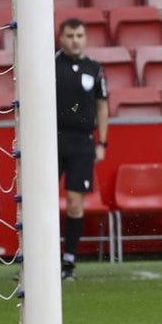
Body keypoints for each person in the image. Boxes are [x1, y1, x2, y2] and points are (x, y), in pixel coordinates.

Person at [55, 18, 108, 280]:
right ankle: (39, 261)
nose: (74, 40)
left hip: (81, 142)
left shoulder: (94, 68)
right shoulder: (50, 65)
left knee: (75, 205)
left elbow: (102, 105)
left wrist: (102, 142)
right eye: (69, 36)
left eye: (79, 35)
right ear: (61, 38)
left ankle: (69, 262)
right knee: (40, 204)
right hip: (51, 141)